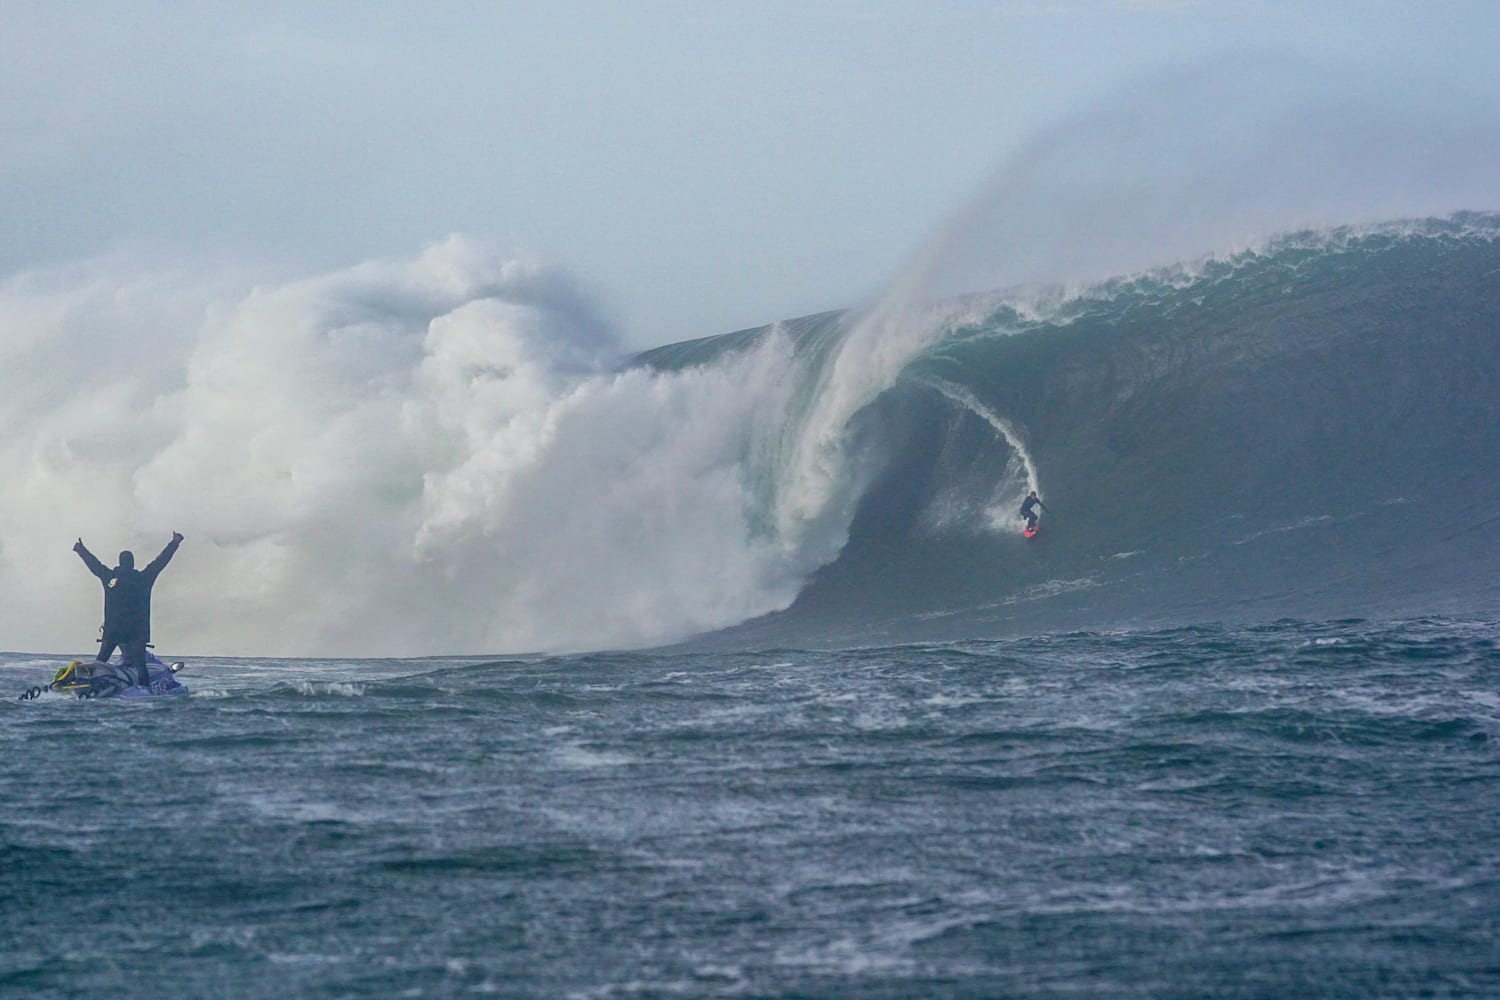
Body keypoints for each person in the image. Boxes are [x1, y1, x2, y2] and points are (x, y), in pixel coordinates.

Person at [73, 532, 184, 689]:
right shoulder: (144, 578)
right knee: (140, 665)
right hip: (136, 631)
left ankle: (83, 686)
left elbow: (94, 565)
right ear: (132, 564)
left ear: (120, 563)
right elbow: (160, 562)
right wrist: (174, 543)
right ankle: (145, 691)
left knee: (100, 661)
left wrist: (80, 549)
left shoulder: (109, 576)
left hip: (113, 629)